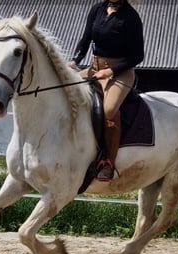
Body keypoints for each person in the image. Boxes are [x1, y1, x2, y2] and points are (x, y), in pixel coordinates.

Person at [69, 0, 144, 182]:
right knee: (66, 92)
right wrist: (74, 61)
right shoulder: (98, 9)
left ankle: (108, 161)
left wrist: (110, 71)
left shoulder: (131, 17)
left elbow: (137, 56)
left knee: (109, 110)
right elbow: (86, 39)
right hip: (94, 69)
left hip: (120, 73)